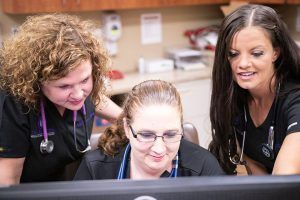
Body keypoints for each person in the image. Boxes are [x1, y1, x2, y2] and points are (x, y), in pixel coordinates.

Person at [0, 14, 122, 185]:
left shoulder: (82, 90)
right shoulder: (14, 105)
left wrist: (126, 117)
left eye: (85, 80)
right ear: (37, 81)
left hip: (61, 184)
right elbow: (8, 181)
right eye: (64, 86)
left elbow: (96, 99)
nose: (79, 94)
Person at [209, 4, 300, 175]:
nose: (242, 64)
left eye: (256, 53)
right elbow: (259, 178)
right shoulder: (236, 98)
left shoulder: (295, 102)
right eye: (233, 54)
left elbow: (280, 185)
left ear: (276, 53)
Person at [74, 80, 224, 180]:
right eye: (146, 135)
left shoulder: (203, 168)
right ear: (127, 128)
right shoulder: (95, 169)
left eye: (170, 134)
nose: (159, 149)